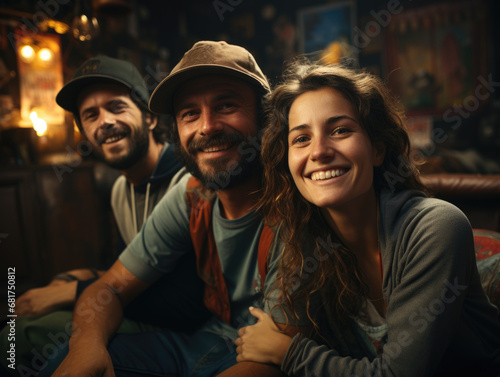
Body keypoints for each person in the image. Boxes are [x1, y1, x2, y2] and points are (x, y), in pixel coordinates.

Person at [233, 61, 500, 376]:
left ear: (377, 149)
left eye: (340, 130)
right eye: (301, 139)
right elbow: (264, 339)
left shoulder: (436, 226)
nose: (319, 151)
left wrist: (289, 353)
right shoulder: (298, 235)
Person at [39, 41, 287, 377]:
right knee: (62, 357)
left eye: (226, 105)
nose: (207, 126)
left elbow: (272, 358)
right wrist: (87, 349)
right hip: (203, 343)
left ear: (266, 116)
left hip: (254, 358)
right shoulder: (191, 195)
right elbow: (109, 287)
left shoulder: (296, 202)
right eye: (189, 113)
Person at [0, 55, 210, 376]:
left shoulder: (190, 181)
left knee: (18, 337)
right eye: (90, 115)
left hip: (191, 331)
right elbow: (125, 267)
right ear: (84, 132)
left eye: (116, 106)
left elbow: (188, 303)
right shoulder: (119, 190)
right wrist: (79, 278)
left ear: (150, 118)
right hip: (145, 312)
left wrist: (71, 293)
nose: (104, 122)